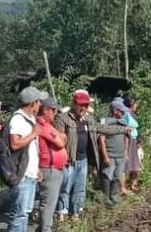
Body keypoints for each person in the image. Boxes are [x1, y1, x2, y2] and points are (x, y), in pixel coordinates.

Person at [53, 90, 129, 221]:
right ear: (74, 103)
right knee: (65, 188)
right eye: (80, 104)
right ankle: (61, 214)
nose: (83, 108)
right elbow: (58, 140)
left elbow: (103, 128)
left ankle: (75, 214)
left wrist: (122, 129)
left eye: (85, 105)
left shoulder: (88, 119)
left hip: (83, 160)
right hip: (69, 160)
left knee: (79, 189)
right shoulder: (63, 119)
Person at [6, 86, 46, 232]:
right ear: (33, 103)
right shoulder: (18, 120)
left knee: (26, 211)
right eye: (39, 101)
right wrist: (34, 134)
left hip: (29, 173)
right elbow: (15, 144)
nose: (40, 105)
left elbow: (31, 149)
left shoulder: (29, 118)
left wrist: (35, 168)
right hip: (20, 175)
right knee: (19, 212)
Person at [36, 96, 67, 232]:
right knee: (48, 200)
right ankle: (45, 230)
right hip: (48, 167)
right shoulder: (41, 125)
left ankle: (43, 226)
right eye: (53, 110)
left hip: (55, 168)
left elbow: (62, 137)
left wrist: (60, 136)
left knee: (50, 199)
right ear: (45, 110)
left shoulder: (48, 125)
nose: (55, 113)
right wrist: (60, 136)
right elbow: (60, 142)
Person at [98, 99, 130, 206]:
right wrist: (105, 156)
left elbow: (126, 139)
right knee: (107, 175)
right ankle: (105, 198)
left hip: (120, 155)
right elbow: (102, 139)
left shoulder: (122, 123)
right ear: (115, 110)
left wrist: (125, 152)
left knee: (117, 176)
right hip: (110, 155)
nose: (123, 113)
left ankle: (114, 196)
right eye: (121, 111)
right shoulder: (105, 123)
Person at [121, 93, 143, 192]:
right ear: (131, 104)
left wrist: (139, 140)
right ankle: (122, 187)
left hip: (133, 141)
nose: (136, 106)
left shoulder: (132, 115)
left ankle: (132, 185)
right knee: (127, 165)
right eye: (135, 104)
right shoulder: (125, 115)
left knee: (136, 165)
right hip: (127, 141)